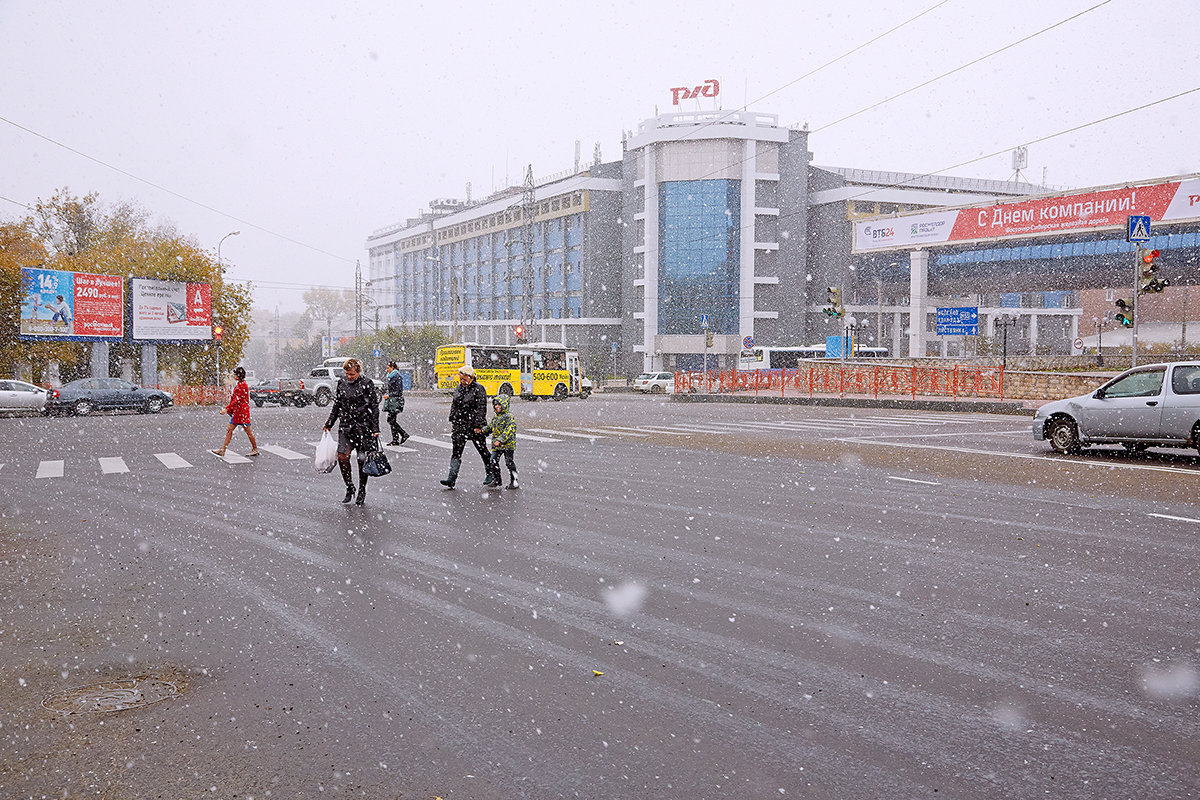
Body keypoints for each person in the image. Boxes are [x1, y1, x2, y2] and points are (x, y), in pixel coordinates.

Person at [323, 358, 380, 506]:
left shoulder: (367, 384)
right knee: (342, 457)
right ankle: (349, 486)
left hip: (363, 426)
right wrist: (329, 422)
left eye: (352, 374)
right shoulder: (341, 383)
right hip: (346, 426)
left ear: (359, 372)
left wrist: (375, 428)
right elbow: (337, 404)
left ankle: (362, 489)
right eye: (347, 373)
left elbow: (374, 407)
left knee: (362, 460)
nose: (349, 377)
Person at [440, 364, 490, 489]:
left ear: (471, 377)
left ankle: (491, 473)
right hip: (460, 425)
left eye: (464, 379)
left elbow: (481, 408)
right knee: (456, 452)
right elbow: (454, 405)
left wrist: (479, 425)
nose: (462, 381)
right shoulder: (458, 388)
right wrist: (452, 418)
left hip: (474, 424)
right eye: (460, 378)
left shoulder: (479, 389)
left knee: (482, 450)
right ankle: (451, 478)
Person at [211, 366, 259, 457]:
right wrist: (231, 409)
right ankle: (223, 449)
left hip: (242, 412)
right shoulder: (240, 384)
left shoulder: (242, 385)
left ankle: (255, 448)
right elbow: (235, 399)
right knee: (230, 429)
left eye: (235, 374)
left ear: (238, 375)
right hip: (238, 412)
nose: (233, 375)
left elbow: (236, 399)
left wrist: (226, 408)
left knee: (248, 431)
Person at [481, 394, 519, 489]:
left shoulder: (508, 417)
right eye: (495, 405)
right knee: (493, 460)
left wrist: (500, 440)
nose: (497, 406)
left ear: (504, 405)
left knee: (509, 462)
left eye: (499, 404)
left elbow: (510, 430)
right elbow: (491, 427)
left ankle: (514, 481)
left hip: (507, 445)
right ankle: (497, 480)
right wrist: (482, 430)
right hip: (497, 446)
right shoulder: (496, 417)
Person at [382, 360, 409, 446]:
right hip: (392, 401)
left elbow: (398, 391)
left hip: (395, 401)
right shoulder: (392, 376)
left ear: (392, 368)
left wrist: (389, 395)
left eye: (388, 368)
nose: (387, 370)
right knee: (391, 420)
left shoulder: (397, 376)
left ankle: (403, 434)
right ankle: (396, 439)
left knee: (390, 420)